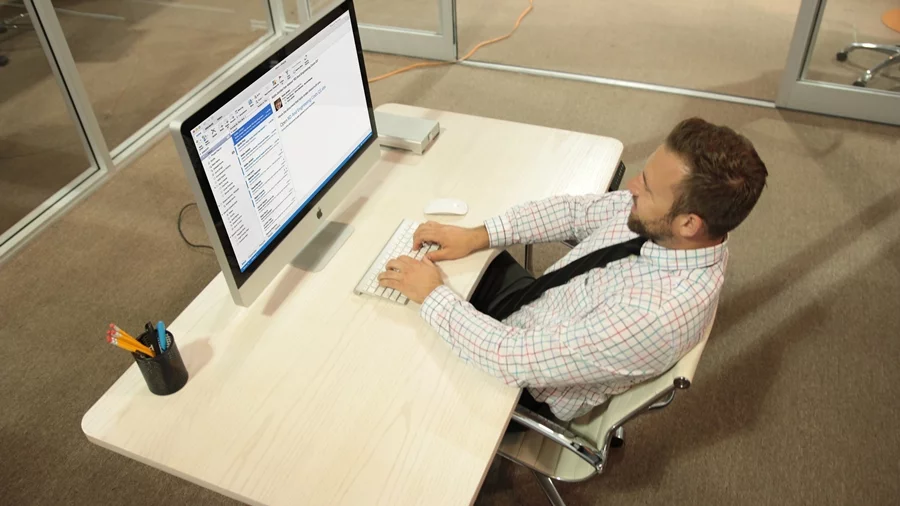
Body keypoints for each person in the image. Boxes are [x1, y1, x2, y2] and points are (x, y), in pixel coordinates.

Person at [377, 118, 768, 423]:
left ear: (689, 223)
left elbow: (510, 357)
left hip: (522, 385)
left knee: (383, 357)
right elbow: (575, 213)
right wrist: (479, 236)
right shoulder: (669, 227)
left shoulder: (652, 316)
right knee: (403, 279)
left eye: (647, 188)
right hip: (538, 307)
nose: (631, 186)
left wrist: (433, 296)